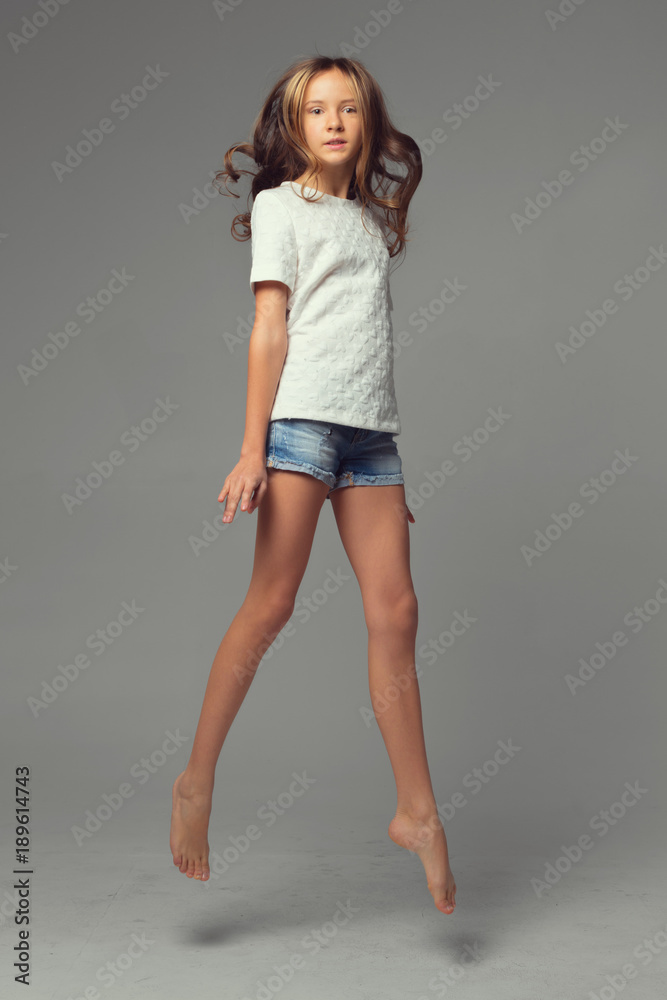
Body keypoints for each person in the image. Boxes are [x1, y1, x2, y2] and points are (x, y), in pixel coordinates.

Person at [169, 55, 456, 915]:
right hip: (299, 428)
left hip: (371, 439)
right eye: (316, 109)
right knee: (271, 604)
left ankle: (416, 810)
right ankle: (195, 779)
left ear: (367, 123)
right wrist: (251, 449)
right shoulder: (278, 207)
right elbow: (269, 326)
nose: (333, 122)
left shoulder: (368, 219)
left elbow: (365, 336)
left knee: (397, 612)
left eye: (348, 109)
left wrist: (387, 479)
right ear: (293, 125)